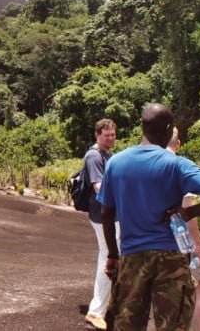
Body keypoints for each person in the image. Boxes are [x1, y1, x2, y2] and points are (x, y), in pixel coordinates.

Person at [98, 103, 200, 331]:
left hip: (132, 256)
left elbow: (107, 214)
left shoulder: (115, 163)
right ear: (169, 129)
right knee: (172, 325)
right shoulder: (176, 164)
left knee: (127, 324)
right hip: (171, 257)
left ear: (142, 126)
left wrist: (113, 254)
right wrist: (189, 212)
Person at [167, 128, 200, 331]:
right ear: (178, 144)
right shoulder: (179, 166)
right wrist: (198, 245)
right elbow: (188, 211)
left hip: (154, 243)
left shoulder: (146, 165)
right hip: (182, 242)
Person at [83, 119, 119, 330]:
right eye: (107, 135)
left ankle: (108, 304)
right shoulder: (94, 156)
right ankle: (96, 311)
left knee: (112, 257)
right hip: (102, 216)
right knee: (108, 258)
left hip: (111, 216)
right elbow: (99, 188)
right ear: (97, 135)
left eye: (113, 135)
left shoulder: (109, 156)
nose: (111, 138)